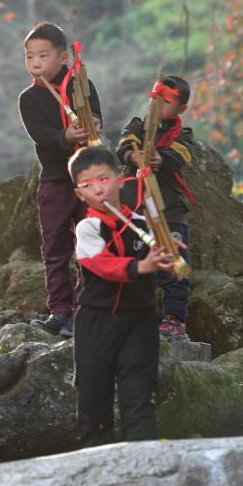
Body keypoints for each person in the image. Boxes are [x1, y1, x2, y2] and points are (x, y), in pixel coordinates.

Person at [69, 145, 175, 446]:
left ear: (119, 179)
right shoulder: (88, 227)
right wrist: (141, 266)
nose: (98, 189)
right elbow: (100, 264)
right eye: (88, 184)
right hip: (97, 320)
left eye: (104, 179)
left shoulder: (143, 224)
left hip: (140, 319)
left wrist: (168, 253)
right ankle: (95, 458)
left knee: (140, 392)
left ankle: (143, 456)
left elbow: (160, 252)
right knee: (93, 395)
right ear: (79, 194)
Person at [18, 21, 102, 337]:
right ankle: (60, 310)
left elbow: (96, 116)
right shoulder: (29, 98)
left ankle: (85, 309)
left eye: (43, 55)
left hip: (86, 179)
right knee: (54, 247)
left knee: (89, 241)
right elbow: (40, 133)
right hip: (54, 179)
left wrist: (93, 124)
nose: (35, 63)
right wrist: (64, 136)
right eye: (29, 57)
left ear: (63, 57)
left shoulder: (81, 83)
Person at [116, 75, 195, 340]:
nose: (158, 104)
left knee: (173, 262)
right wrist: (134, 156)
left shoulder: (184, 135)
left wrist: (159, 159)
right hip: (135, 208)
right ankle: (133, 317)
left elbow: (180, 156)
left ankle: (175, 320)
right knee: (134, 263)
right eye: (155, 98)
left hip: (168, 209)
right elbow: (123, 146)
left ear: (181, 108)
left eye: (166, 101)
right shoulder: (136, 127)